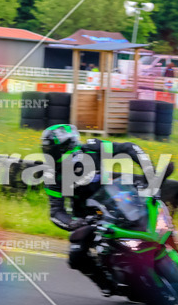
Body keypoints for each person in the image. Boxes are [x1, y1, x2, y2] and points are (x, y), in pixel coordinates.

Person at [40, 124, 158, 295]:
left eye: (54, 150)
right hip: (88, 217)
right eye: (48, 151)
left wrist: (150, 172)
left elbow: (129, 148)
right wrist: (73, 223)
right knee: (76, 255)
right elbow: (56, 212)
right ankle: (107, 283)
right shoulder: (52, 176)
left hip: (117, 198)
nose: (52, 155)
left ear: (69, 145)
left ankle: (166, 241)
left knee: (150, 203)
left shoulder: (93, 147)